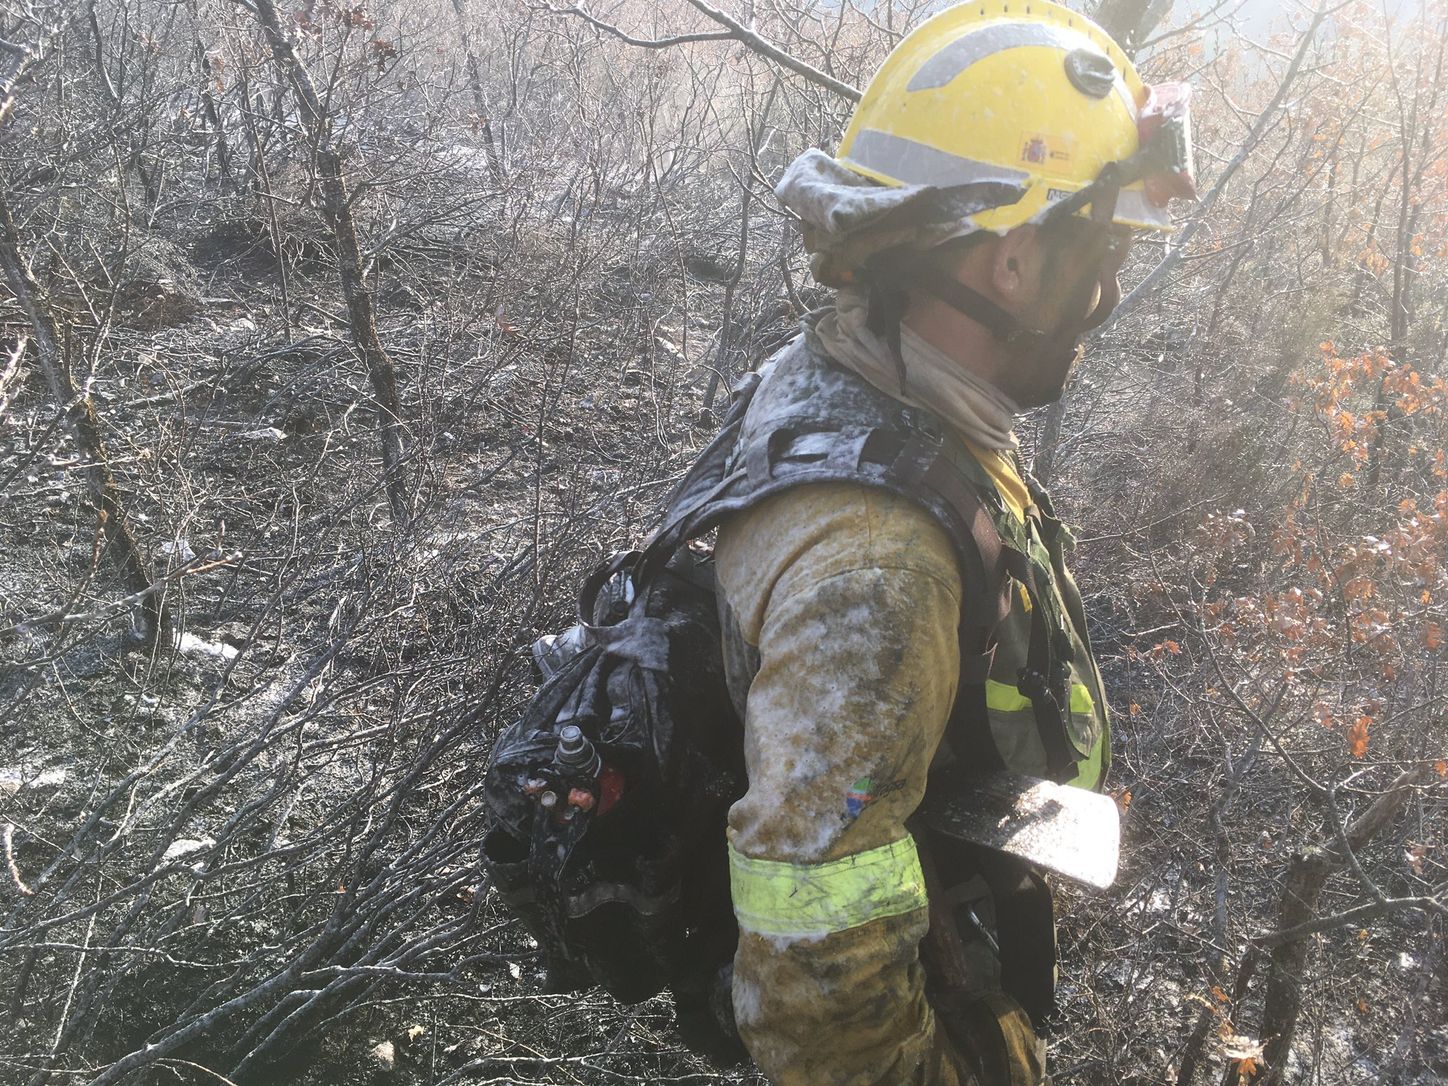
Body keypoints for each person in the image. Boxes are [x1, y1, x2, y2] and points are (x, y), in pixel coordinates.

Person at [709, 2, 1196, 1082]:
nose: (1106, 293)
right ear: (1013, 263)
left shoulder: (852, 375)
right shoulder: (878, 571)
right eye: (1099, 251)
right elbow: (814, 985)